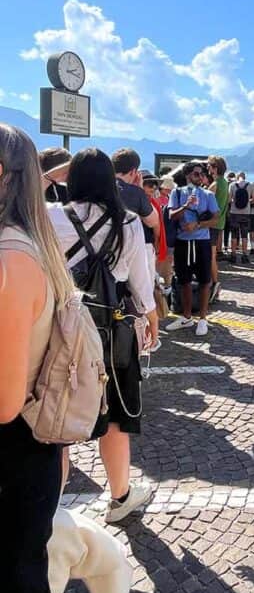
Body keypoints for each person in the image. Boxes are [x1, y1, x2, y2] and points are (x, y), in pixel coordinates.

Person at [0, 124, 75, 593]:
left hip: (9, 455)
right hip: (29, 452)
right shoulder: (31, 247)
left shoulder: (11, 256)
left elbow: (1, 398)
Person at [48, 148, 158, 522]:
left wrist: (55, 171)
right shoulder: (127, 223)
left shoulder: (50, 217)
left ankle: (50, 512)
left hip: (60, 328)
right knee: (114, 417)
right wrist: (151, 321)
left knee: (57, 423)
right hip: (112, 330)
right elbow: (141, 286)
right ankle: (120, 497)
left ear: (71, 179)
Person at [166, 161, 219, 336]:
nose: (200, 177)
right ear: (188, 175)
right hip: (182, 243)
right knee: (184, 281)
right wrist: (186, 206)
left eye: (202, 174)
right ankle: (187, 317)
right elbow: (172, 215)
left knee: (204, 281)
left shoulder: (208, 195)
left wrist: (197, 225)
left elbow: (216, 219)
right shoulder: (177, 192)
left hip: (201, 242)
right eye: (196, 174)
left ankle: (203, 319)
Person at [112, 148, 160, 285]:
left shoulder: (96, 187)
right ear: (134, 171)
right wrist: (139, 188)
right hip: (128, 253)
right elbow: (152, 221)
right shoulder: (135, 193)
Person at [142, 173, 171, 297]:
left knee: (147, 280)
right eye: (149, 184)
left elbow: (157, 226)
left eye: (155, 185)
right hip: (140, 245)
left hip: (148, 244)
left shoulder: (151, 202)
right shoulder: (147, 201)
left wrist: (157, 243)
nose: (153, 187)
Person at [207, 155, 229, 301]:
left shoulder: (215, 185)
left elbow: (207, 206)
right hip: (219, 223)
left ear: (215, 168)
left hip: (211, 224)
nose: (207, 167)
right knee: (212, 255)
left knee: (209, 257)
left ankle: (213, 284)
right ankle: (214, 284)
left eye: (209, 165)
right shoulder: (224, 183)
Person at [228, 172, 253, 264]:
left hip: (234, 213)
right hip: (246, 213)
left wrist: (235, 200)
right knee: (244, 235)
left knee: (234, 235)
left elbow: (229, 199)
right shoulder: (250, 185)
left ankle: (233, 255)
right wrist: (247, 201)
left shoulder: (232, 185)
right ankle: (245, 256)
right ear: (245, 177)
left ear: (237, 177)